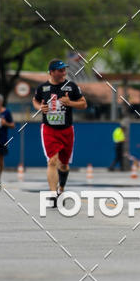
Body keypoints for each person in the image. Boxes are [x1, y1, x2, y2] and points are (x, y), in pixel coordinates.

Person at [33, 59, 87, 205]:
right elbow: (35, 100)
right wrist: (39, 107)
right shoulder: (42, 88)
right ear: (51, 72)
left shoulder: (71, 87)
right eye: (60, 70)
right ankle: (52, 193)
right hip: (49, 129)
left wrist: (70, 103)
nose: (64, 72)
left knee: (63, 165)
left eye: (65, 69)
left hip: (67, 130)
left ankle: (61, 189)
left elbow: (83, 104)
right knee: (52, 161)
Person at [0, 97, 14, 191]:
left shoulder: (6, 112)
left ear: (1, 102)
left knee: (0, 160)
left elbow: (12, 125)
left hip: (3, 139)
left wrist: (5, 123)